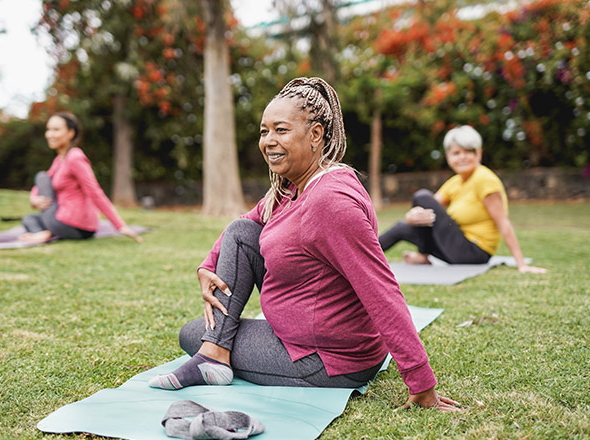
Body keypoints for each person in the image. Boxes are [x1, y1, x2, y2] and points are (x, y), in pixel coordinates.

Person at [148, 77, 460, 411]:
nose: (268, 141)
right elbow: (246, 223)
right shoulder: (292, 186)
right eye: (264, 131)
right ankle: (215, 353)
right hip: (302, 338)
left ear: (315, 135)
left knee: (191, 333)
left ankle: (213, 353)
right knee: (241, 234)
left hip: (328, 360)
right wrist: (207, 265)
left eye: (281, 130)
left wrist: (422, 384)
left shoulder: (330, 201)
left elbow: (381, 290)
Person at [379, 125, 546, 273]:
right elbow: (428, 207)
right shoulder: (456, 182)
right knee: (402, 227)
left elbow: (503, 222)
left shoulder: (484, 179)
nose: (462, 157)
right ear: (448, 157)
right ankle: (359, 260)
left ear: (478, 153)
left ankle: (423, 255)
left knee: (421, 195)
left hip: (474, 251)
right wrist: (411, 216)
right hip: (454, 247)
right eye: (456, 153)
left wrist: (521, 264)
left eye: (468, 152)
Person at [19, 112, 141, 244]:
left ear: (70, 133)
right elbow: (42, 184)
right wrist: (34, 198)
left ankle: (47, 233)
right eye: (48, 130)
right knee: (29, 219)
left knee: (41, 176)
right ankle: (46, 233)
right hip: (63, 220)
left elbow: (94, 192)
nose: (49, 134)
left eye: (56, 130)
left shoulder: (75, 157)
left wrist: (120, 225)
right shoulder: (59, 160)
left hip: (74, 224)